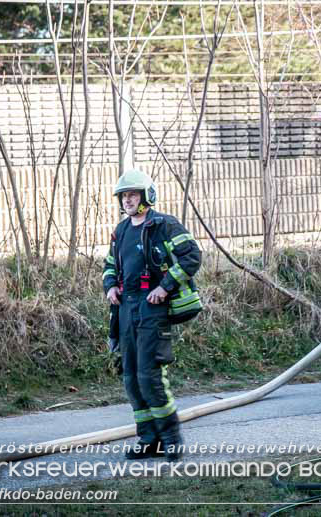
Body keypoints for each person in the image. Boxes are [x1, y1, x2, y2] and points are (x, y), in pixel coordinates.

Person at [103, 168, 201, 462]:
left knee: (149, 376)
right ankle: (149, 440)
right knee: (131, 379)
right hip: (125, 309)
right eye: (124, 195)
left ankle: (171, 439)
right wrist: (110, 286)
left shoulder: (164, 225)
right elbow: (110, 265)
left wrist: (165, 286)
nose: (127, 200)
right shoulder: (121, 230)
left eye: (133, 194)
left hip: (152, 308)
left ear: (147, 195)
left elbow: (192, 256)